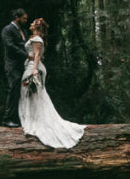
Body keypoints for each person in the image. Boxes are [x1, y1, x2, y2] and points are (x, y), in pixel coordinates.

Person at [19, 18, 85, 149]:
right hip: (32, 66)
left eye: (33, 23)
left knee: (33, 93)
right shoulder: (36, 39)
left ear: (37, 27)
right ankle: (31, 120)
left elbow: (37, 55)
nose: (30, 24)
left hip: (34, 68)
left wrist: (34, 71)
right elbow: (39, 54)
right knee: (30, 94)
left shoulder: (37, 39)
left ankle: (36, 122)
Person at [1, 8, 30, 127]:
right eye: (24, 18)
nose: (26, 20)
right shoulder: (7, 30)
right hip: (12, 65)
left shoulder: (23, 31)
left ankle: (17, 118)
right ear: (17, 18)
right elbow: (10, 46)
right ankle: (7, 119)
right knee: (13, 89)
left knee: (21, 91)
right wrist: (27, 55)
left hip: (22, 65)